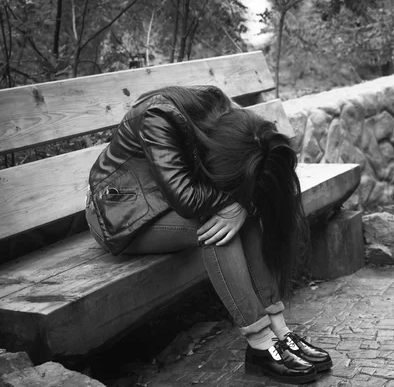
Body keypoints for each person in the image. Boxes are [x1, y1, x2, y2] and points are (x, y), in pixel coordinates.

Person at [84, 85, 332, 384]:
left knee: (243, 220)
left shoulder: (218, 107)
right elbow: (186, 197)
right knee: (216, 232)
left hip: (167, 205)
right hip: (122, 214)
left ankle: (281, 332)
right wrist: (238, 203)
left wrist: (244, 205)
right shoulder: (157, 117)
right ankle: (261, 345)